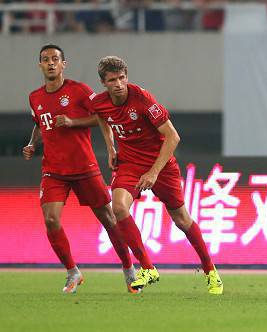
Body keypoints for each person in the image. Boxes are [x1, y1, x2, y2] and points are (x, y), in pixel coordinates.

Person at [91, 56, 223, 294]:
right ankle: (148, 268)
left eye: (122, 78)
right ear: (103, 82)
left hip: (160, 164)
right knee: (118, 207)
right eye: (112, 80)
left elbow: (173, 137)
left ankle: (210, 270)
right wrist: (110, 147)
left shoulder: (142, 99)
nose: (119, 84)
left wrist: (154, 172)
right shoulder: (100, 102)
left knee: (182, 220)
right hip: (129, 164)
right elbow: (102, 116)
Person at [24, 44, 135, 293]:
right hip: (53, 170)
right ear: (40, 65)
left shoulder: (79, 91)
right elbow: (40, 123)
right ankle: (73, 271)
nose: (51, 63)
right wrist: (32, 143)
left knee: (108, 217)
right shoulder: (35, 97)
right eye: (45, 60)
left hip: (84, 167)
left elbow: (102, 116)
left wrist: (79, 126)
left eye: (55, 59)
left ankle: (129, 268)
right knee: (51, 219)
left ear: (64, 64)